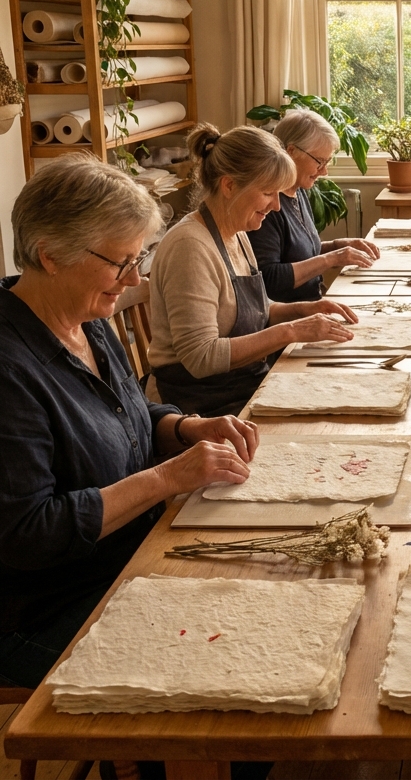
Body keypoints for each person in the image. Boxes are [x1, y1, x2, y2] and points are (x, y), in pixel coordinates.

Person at [0, 157, 258, 688]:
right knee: (228, 673)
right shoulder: (9, 368)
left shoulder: (83, 319)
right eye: (122, 263)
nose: (135, 279)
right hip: (47, 607)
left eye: (138, 259)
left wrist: (185, 427)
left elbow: (128, 416)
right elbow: (29, 533)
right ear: (50, 255)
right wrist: (169, 478)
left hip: (132, 557)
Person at [149, 123, 358, 416]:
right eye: (268, 193)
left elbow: (254, 309)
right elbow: (201, 357)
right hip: (201, 407)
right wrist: (291, 331)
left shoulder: (236, 233)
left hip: (244, 385)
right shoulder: (190, 247)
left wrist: (304, 310)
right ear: (229, 185)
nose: (275, 206)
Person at [248, 108, 380, 302]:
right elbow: (268, 278)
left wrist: (339, 246)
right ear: (291, 152)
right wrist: (332, 259)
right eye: (319, 161)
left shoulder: (299, 191)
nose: (324, 171)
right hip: (288, 319)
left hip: (312, 307)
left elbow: (299, 254)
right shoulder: (267, 207)